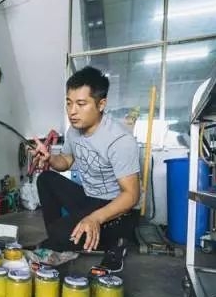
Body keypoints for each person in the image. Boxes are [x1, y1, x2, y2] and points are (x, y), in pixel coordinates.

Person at [31, 66, 140, 273]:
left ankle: (116, 242)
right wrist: (50, 158)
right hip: (90, 198)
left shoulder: (120, 140)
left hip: (116, 210)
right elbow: (66, 161)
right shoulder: (74, 131)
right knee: (45, 179)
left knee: (61, 233)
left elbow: (131, 196)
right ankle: (62, 239)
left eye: (81, 104)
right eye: (69, 103)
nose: (72, 111)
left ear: (101, 104)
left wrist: (95, 218)